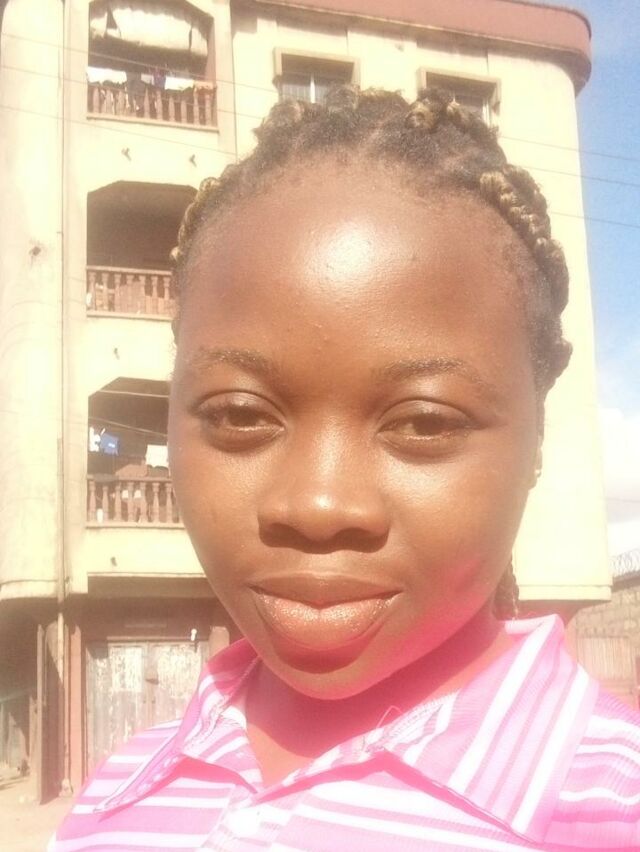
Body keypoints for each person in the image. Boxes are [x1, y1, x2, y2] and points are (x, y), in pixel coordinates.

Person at [51, 87, 640, 850]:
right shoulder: (117, 791)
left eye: (424, 423)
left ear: (537, 439)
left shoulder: (608, 807)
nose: (318, 504)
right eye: (239, 414)